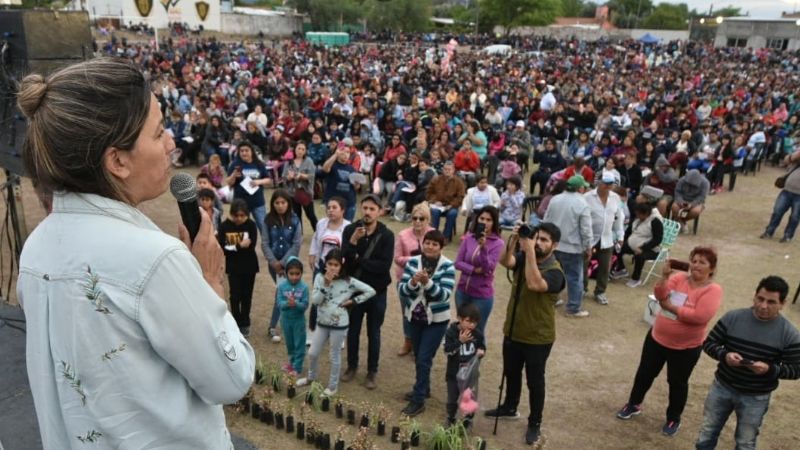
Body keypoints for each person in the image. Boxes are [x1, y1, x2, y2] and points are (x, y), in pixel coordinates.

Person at [16, 58, 254, 448]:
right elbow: (232, 378)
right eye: (159, 133)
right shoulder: (155, 259)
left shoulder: (37, 247)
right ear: (117, 161)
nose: (172, 142)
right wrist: (210, 280)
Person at [616, 247, 723, 437]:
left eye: (702, 262)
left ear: (712, 269)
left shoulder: (713, 290)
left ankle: (674, 418)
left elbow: (699, 316)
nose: (696, 265)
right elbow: (659, 295)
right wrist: (664, 278)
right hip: (657, 338)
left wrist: (670, 307)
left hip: (686, 348)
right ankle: (633, 404)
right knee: (644, 374)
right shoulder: (678, 278)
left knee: (677, 382)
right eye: (694, 260)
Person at [695, 276, 800, 450]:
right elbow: (708, 343)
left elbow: (796, 370)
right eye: (760, 299)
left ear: (783, 303)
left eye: (771, 302)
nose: (763, 306)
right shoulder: (733, 317)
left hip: (756, 397)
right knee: (707, 432)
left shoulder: (789, 334)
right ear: (754, 296)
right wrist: (725, 355)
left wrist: (770, 369)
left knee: (745, 442)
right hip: (722, 387)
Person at [487, 223, 565, 446]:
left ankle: (535, 422)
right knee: (511, 372)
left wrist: (529, 250)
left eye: (544, 240)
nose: (538, 243)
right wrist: (513, 240)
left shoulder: (555, 272)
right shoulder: (525, 256)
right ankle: (510, 406)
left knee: (535, 382)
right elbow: (505, 261)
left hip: (538, 338)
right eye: (537, 238)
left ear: (555, 245)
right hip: (513, 330)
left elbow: (534, 283)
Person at [297, 250, 376, 397]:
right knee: (313, 353)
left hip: (339, 324)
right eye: (330, 264)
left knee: (334, 356)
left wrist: (353, 301)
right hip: (322, 322)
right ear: (325, 264)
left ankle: (332, 387)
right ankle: (311, 376)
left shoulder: (348, 281)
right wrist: (326, 284)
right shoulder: (320, 278)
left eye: (336, 264)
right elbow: (315, 301)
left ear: (341, 265)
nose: (333, 267)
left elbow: (370, 291)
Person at [398, 230, 456, 416]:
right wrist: (413, 283)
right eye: (427, 243)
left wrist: (428, 283)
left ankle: (419, 399)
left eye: (435, 244)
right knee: (420, 356)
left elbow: (444, 295)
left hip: (437, 320)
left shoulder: (447, 266)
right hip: (415, 317)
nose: (430, 247)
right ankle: (424, 388)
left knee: (423, 357)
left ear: (441, 247)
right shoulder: (413, 262)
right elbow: (402, 290)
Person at [341, 194, 395, 389]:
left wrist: (358, 258)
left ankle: (372, 371)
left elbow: (383, 265)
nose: (368, 212)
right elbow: (343, 259)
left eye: (372, 209)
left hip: (377, 292)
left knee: (374, 332)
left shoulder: (387, 235)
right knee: (353, 330)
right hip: (355, 291)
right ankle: (351, 366)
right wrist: (353, 243)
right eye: (365, 208)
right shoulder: (350, 230)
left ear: (379, 212)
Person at [543, 175, 593, 317]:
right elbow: (586, 229)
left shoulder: (555, 199)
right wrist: (588, 247)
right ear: (580, 188)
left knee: (553, 273)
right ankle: (573, 307)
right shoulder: (582, 203)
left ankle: (554, 298)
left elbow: (546, 220)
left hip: (554, 244)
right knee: (574, 278)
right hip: (573, 248)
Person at [454, 205, 504, 335]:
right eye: (482, 218)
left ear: (494, 223)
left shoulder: (498, 243)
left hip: (481, 296)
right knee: (461, 327)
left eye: (489, 220)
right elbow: (458, 263)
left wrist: (483, 248)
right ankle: (460, 355)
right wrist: (474, 270)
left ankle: (476, 355)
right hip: (462, 291)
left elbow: (488, 270)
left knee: (476, 331)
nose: (485, 222)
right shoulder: (469, 238)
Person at [393, 203, 434, 356]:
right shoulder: (403, 235)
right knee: (407, 312)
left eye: (421, 218)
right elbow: (397, 259)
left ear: (427, 219)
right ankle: (408, 341)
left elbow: (438, 255)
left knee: (424, 311)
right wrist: (414, 259)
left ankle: (420, 344)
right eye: (414, 218)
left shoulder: (433, 234)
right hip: (406, 280)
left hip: (427, 281)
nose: (417, 221)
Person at [262, 189, 303, 343]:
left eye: (283, 202)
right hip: (273, 265)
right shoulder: (268, 220)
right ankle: (278, 325)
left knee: (284, 293)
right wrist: (274, 263)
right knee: (284, 293)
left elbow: (296, 244)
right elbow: (265, 243)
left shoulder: (294, 220)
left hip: (290, 264)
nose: (280, 206)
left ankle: (275, 326)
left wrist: (283, 263)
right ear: (273, 204)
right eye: (277, 203)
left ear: (288, 203)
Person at [307, 197, 350, 335]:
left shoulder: (349, 227)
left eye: (334, 207)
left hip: (340, 268)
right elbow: (315, 238)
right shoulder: (321, 223)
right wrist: (312, 254)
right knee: (318, 297)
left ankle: (337, 330)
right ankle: (313, 330)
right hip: (321, 265)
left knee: (337, 298)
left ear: (343, 210)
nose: (330, 210)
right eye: (328, 207)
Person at [218, 199, 259, 337]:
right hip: (233, 267)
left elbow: (251, 245)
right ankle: (235, 322)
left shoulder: (251, 225)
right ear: (232, 214)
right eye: (236, 215)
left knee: (247, 296)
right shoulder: (225, 227)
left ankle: (245, 323)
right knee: (235, 296)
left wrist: (235, 248)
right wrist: (238, 246)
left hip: (249, 267)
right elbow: (223, 248)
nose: (239, 218)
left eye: (242, 215)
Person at [583, 172, 625, 305]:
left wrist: (620, 236)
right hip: (589, 237)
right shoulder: (587, 197)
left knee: (605, 266)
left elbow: (619, 218)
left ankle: (600, 291)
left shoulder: (615, 198)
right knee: (583, 263)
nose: (607, 186)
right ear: (598, 183)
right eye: (605, 183)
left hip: (607, 237)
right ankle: (582, 288)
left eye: (610, 184)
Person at [444, 303, 486, 428]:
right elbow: (447, 351)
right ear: (459, 318)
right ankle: (451, 417)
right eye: (468, 321)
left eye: (475, 322)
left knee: (469, 397)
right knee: (452, 398)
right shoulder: (451, 333)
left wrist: (481, 351)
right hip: (453, 373)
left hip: (470, 374)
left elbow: (481, 346)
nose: (471, 325)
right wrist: (460, 341)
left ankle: (468, 420)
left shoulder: (477, 334)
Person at [225, 141, 272, 238]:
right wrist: (233, 176)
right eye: (241, 151)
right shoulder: (234, 164)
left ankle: (269, 251)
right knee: (240, 230)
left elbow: (268, 180)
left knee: (264, 228)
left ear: (252, 151)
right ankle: (241, 251)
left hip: (257, 203)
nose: (244, 153)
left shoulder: (259, 164)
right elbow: (228, 182)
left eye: (246, 150)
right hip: (240, 204)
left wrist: (258, 182)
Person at [612, 202, 664, 288]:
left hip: (651, 249)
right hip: (632, 245)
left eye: (639, 214)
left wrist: (643, 248)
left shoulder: (655, 221)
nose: (637, 216)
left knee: (640, 256)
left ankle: (636, 278)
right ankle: (621, 268)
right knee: (617, 248)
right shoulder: (637, 219)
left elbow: (657, 239)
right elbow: (628, 232)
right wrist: (621, 241)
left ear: (646, 214)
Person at [276, 257, 309, 375]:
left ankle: (297, 367)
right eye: (291, 274)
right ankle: (291, 362)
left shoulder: (304, 287)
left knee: (299, 344)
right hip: (285, 320)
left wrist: (296, 304)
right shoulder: (281, 286)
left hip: (298, 321)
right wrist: (287, 304)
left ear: (301, 273)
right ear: (286, 273)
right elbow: (279, 304)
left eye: (297, 274)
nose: (294, 277)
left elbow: (305, 305)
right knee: (290, 344)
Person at [760, 148, 800, 243]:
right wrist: (793, 156)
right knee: (777, 212)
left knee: (795, 217)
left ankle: (788, 236)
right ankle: (769, 231)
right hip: (787, 190)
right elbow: (786, 160)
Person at [426, 161, 466, 243]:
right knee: (434, 211)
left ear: (453, 170)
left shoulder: (459, 182)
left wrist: (451, 205)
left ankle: (445, 236)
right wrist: (435, 200)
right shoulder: (436, 179)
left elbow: (460, 197)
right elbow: (429, 192)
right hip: (438, 205)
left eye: (449, 169)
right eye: (445, 169)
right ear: (443, 170)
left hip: (451, 206)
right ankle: (434, 235)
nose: (447, 171)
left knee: (452, 213)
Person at [283, 141, 318, 231]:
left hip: (306, 192)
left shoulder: (309, 161)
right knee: (296, 215)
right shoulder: (289, 162)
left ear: (305, 151)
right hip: (292, 193)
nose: (300, 151)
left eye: (303, 149)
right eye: (299, 148)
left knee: (311, 215)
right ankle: (298, 234)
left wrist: (302, 176)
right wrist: (289, 177)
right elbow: (284, 176)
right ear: (295, 149)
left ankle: (318, 232)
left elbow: (312, 175)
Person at [322, 144, 358, 221]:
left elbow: (355, 187)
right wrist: (335, 155)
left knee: (347, 228)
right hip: (333, 202)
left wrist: (357, 184)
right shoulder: (333, 165)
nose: (346, 154)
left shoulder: (351, 168)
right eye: (343, 152)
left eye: (348, 152)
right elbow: (325, 168)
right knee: (333, 225)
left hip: (349, 203)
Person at [672, 169, 710, 234]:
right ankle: (681, 222)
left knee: (696, 211)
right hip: (682, 200)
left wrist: (692, 204)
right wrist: (680, 201)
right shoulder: (682, 180)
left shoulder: (705, 183)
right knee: (674, 207)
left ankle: (681, 221)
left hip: (696, 202)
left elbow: (702, 197)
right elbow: (677, 192)